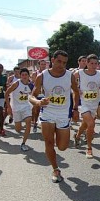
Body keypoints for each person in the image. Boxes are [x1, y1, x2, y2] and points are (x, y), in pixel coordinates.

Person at [29, 50, 79, 183]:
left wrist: (75, 108)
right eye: (59, 61)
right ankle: (55, 169)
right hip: (48, 113)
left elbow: (76, 92)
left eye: (64, 62)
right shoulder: (43, 76)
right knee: (49, 142)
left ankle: (61, 135)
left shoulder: (70, 76)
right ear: (52, 60)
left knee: (63, 147)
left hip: (63, 114)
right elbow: (31, 96)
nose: (61, 65)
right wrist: (38, 102)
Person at [73, 54, 100, 158]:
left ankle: (77, 136)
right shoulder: (79, 73)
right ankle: (89, 148)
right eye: (91, 63)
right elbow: (69, 81)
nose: (93, 65)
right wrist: (76, 88)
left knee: (85, 124)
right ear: (87, 63)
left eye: (96, 63)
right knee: (91, 124)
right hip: (83, 103)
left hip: (94, 103)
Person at [5, 68, 32, 151]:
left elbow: (34, 95)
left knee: (28, 122)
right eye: (22, 75)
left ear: (28, 76)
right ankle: (15, 120)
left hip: (26, 106)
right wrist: (9, 107)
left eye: (26, 75)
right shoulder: (16, 83)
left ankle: (23, 143)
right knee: (18, 129)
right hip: (16, 108)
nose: (24, 76)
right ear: (20, 76)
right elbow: (6, 94)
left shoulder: (31, 85)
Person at [31, 60, 48, 132]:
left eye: (45, 64)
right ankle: (35, 124)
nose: (43, 66)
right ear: (39, 65)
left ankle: (46, 125)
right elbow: (34, 84)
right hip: (38, 94)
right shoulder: (35, 73)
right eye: (42, 64)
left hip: (46, 94)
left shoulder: (48, 73)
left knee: (47, 109)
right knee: (36, 110)